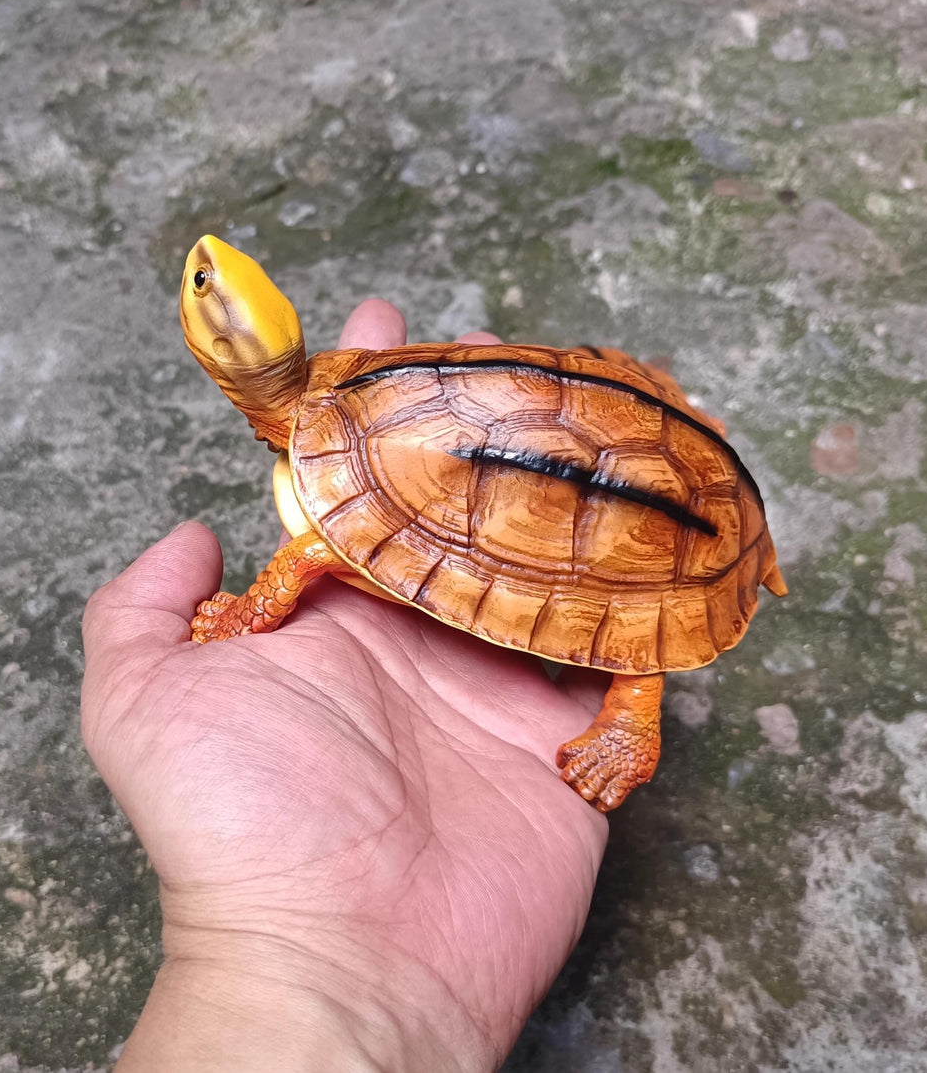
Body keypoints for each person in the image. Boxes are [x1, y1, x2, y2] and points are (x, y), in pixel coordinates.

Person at [81, 299, 610, 1072]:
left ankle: (636, 709)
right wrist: (329, 970)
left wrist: (252, 612)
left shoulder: (327, 439)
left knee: (616, 631)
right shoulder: (346, 421)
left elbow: (311, 554)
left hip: (562, 536)